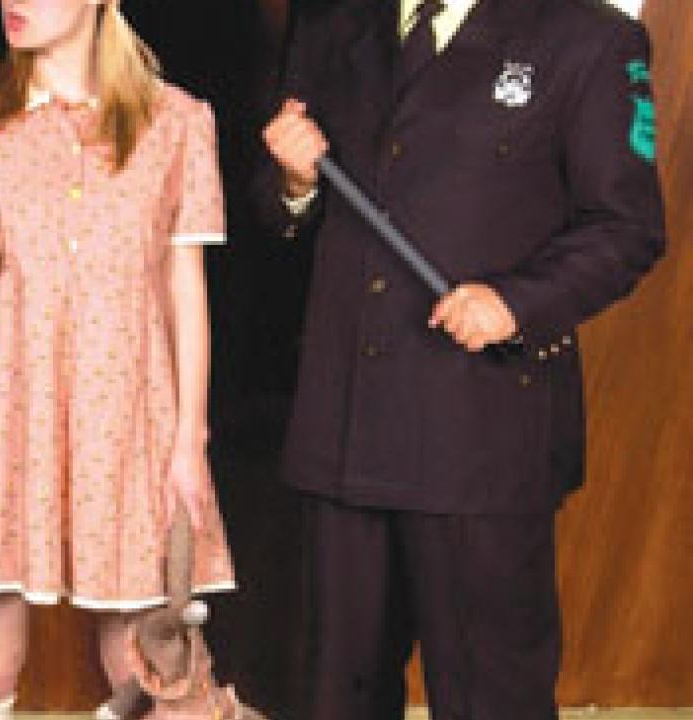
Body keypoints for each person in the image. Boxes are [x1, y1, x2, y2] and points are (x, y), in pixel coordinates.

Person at [260, 0, 666, 718]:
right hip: (345, 424)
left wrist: (517, 302)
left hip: (478, 429)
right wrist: (293, 184)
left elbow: (628, 226)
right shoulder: (332, 24)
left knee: (492, 701)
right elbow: (281, 210)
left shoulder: (593, 36)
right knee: (334, 698)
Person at [0, 0, 237, 718]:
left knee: (147, 669)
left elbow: (183, 289)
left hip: (130, 417)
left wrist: (188, 440)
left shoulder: (178, 121)